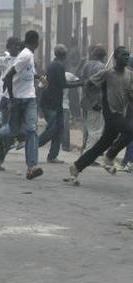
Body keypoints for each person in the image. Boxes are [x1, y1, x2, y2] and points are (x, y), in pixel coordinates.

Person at [66, 46, 133, 183]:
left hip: (120, 112)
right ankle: (110, 155)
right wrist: (95, 99)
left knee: (101, 145)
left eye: (127, 55)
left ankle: (77, 166)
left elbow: (129, 93)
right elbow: (89, 84)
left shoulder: (129, 74)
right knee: (130, 131)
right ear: (115, 58)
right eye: (122, 55)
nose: (126, 58)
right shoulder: (106, 73)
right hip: (110, 112)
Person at [0, 30, 43, 179]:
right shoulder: (26, 55)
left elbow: (28, 73)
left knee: (31, 129)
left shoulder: (29, 56)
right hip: (18, 99)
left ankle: (31, 167)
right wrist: (13, 98)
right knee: (13, 130)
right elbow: (8, 76)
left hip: (30, 98)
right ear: (36, 42)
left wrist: (40, 77)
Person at [37, 44, 83, 164]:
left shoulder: (53, 65)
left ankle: (52, 156)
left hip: (54, 103)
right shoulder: (58, 66)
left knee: (59, 129)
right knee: (53, 129)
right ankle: (33, 144)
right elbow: (63, 84)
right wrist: (80, 84)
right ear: (64, 55)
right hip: (51, 103)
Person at [79, 45, 106, 152]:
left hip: (85, 101)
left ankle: (85, 149)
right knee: (95, 131)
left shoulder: (86, 65)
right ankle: (87, 155)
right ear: (103, 56)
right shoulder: (101, 67)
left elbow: (81, 80)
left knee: (87, 128)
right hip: (95, 103)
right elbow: (101, 86)